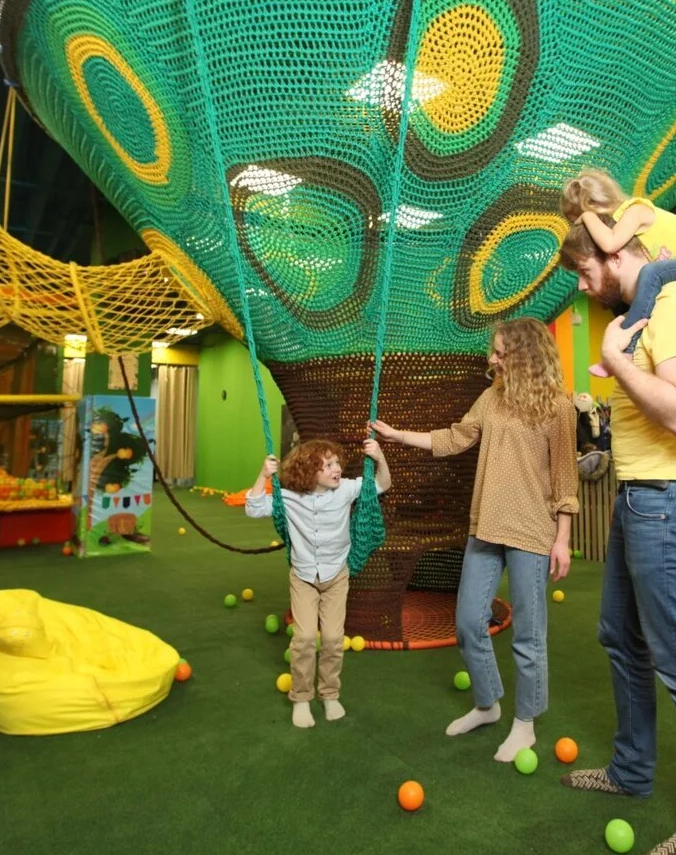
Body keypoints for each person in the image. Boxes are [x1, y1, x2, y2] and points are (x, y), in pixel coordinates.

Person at [557, 220, 676, 855]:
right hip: (639, 497)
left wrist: (615, 362)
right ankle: (631, 771)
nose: (584, 288)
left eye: (585, 273)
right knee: (620, 636)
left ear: (613, 254)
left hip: (674, 500)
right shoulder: (638, 313)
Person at [370, 318, 578, 763]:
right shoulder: (490, 399)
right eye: (494, 351)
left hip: (531, 533)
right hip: (485, 527)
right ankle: (487, 704)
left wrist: (562, 539)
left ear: (525, 355)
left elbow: (565, 479)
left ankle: (525, 724)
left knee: (529, 635)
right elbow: (454, 438)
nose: (492, 359)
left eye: (501, 352)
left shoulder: (558, 408)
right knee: (467, 623)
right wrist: (398, 435)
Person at [245, 437, 391, 728]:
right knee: (304, 638)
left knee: (334, 639)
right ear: (310, 471)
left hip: (336, 576)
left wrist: (379, 457)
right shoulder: (289, 498)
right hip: (304, 578)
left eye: (337, 463)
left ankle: (329, 694)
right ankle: (301, 697)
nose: (337, 469)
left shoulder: (346, 489)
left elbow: (382, 484)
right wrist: (263, 475)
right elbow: (253, 507)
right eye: (328, 465)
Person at [561, 169, 676, 378]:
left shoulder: (635, 211)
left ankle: (626, 351)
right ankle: (623, 347)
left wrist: (587, 217)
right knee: (627, 296)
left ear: (594, 206)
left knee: (651, 272)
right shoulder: (625, 229)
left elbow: (610, 244)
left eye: (580, 222)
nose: (585, 228)